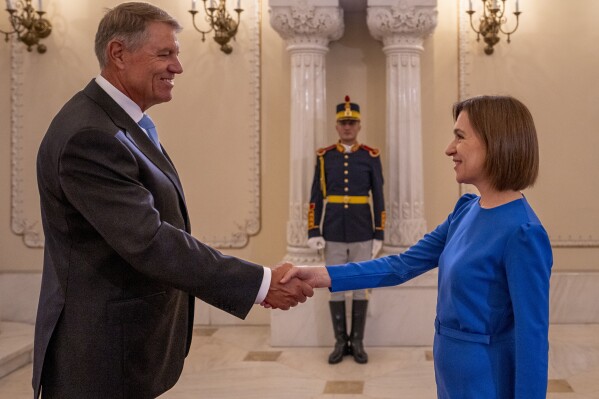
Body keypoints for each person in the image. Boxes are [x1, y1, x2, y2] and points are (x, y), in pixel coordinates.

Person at [33, 3, 312, 398]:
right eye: (165, 54)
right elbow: (149, 241)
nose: (177, 67)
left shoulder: (120, 124)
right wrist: (260, 282)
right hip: (99, 358)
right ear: (118, 53)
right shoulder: (89, 135)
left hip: (124, 352)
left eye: (176, 54)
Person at [284, 95, 553, 398]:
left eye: (460, 137)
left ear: (496, 142)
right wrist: (324, 275)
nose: (449, 149)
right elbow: (401, 265)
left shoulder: (523, 233)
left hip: (486, 379)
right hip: (448, 370)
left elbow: (532, 340)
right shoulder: (466, 209)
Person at [306, 95, 385, 364]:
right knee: (337, 287)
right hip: (334, 231)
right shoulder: (325, 156)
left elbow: (379, 196)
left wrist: (379, 233)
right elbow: (315, 195)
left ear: (359, 125)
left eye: (352, 122)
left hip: (363, 229)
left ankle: (358, 343)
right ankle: (341, 342)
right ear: (337, 126)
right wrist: (313, 230)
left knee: (361, 287)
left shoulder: (371, 156)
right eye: (343, 123)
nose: (348, 127)